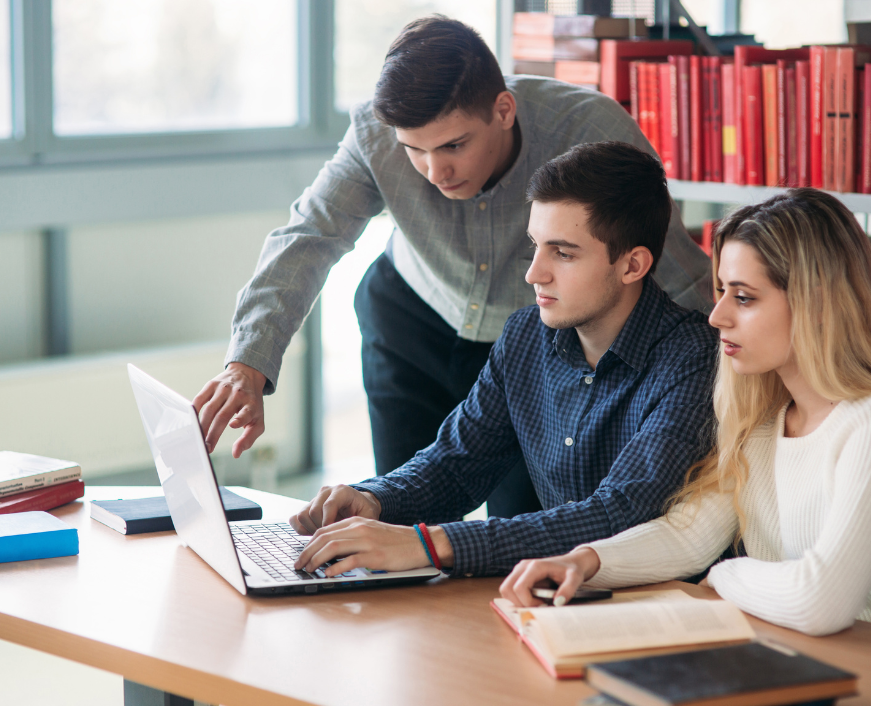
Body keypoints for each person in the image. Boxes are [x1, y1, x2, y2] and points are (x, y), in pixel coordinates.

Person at [191, 16, 712, 519]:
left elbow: (669, 265)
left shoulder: (589, 129)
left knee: (521, 527)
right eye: (414, 151)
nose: (434, 171)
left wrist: (732, 378)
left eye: (454, 145)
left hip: (530, 346)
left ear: (503, 109)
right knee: (393, 509)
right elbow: (309, 235)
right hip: (410, 322)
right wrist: (248, 364)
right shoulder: (374, 133)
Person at [287, 141, 719, 580]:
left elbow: (619, 516)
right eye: (535, 246)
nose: (535, 273)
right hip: (559, 599)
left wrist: (430, 544)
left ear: (632, 265)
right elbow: (457, 463)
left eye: (563, 253)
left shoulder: (695, 359)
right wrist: (375, 499)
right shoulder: (525, 336)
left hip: (663, 608)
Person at [500, 188, 871, 636]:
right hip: (805, 658)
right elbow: (688, 535)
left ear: (816, 303)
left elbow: (820, 603)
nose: (716, 316)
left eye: (743, 298)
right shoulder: (764, 421)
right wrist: (582, 561)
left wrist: (725, 574)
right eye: (720, 292)